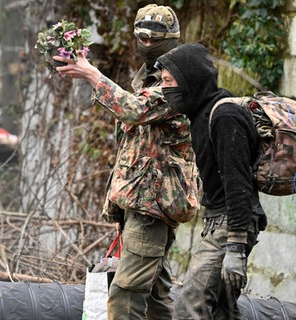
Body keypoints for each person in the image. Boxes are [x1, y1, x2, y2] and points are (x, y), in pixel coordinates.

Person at [54, 5, 200, 320]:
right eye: (141, 38)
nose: (147, 44)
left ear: (172, 40)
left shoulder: (178, 83)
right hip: (143, 201)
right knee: (156, 298)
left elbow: (134, 111)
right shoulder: (149, 79)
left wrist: (90, 73)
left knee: (125, 295)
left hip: (153, 206)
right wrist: (120, 204)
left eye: (155, 39)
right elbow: (133, 145)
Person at [155, 43, 268, 319]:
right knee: (222, 313)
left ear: (189, 80)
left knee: (189, 307)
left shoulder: (224, 117)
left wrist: (235, 249)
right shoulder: (201, 114)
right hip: (218, 222)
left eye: (169, 81)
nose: (163, 88)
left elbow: (238, 185)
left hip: (230, 225)